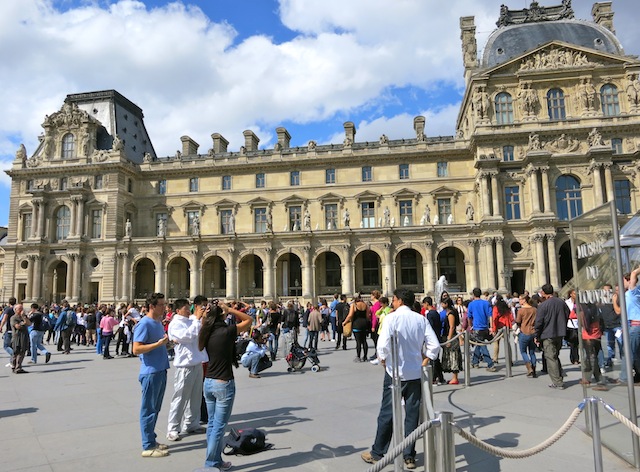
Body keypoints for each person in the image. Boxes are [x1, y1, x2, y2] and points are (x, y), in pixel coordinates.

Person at [361, 288, 441, 470]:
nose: (393, 303)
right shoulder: (421, 319)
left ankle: (377, 453)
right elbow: (434, 346)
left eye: (394, 300)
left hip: (394, 374)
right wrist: (425, 359)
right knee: (412, 416)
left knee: (387, 414)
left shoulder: (391, 318)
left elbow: (382, 347)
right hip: (415, 374)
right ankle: (409, 456)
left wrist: (384, 362)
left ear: (398, 301)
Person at [198, 300, 252, 470]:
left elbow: (204, 320)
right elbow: (248, 320)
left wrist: (212, 312)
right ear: (223, 314)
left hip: (208, 382)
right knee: (218, 427)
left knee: (213, 424)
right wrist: (230, 309)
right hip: (223, 383)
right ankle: (211, 463)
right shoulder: (227, 331)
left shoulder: (205, 332)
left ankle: (216, 460)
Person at [132, 293, 171, 458]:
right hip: (150, 372)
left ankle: (152, 440)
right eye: (162, 305)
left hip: (160, 369)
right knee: (148, 409)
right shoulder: (145, 323)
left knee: (155, 409)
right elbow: (136, 349)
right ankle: (147, 446)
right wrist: (158, 344)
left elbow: (158, 346)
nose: (165, 307)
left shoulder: (157, 323)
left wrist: (167, 344)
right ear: (152, 306)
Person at [166, 297, 209, 441]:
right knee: (180, 398)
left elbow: (200, 329)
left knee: (196, 397)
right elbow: (188, 336)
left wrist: (202, 315)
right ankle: (173, 428)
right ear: (178, 310)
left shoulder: (191, 320)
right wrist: (197, 319)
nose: (188, 309)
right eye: (185, 307)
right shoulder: (175, 324)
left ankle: (191, 423)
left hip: (196, 362)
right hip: (184, 365)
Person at [534, 284, 570, 390]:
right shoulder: (561, 302)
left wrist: (537, 335)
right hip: (560, 333)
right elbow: (567, 313)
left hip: (547, 334)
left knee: (551, 358)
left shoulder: (543, 306)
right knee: (555, 355)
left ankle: (557, 382)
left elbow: (539, 322)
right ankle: (560, 375)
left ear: (543, 293)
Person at [468, 288, 497, 371]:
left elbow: (469, 317)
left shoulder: (471, 304)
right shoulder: (486, 303)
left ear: (473, 295)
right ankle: (475, 362)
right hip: (485, 327)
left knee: (482, 346)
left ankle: (490, 364)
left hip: (477, 327)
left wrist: (470, 326)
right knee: (479, 344)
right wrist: (491, 327)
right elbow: (490, 316)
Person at [343, 294, 370, 362]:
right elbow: (367, 316)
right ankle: (365, 356)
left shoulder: (354, 305)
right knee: (364, 341)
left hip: (356, 324)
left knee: (358, 341)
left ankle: (358, 356)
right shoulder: (365, 305)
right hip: (364, 324)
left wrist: (345, 322)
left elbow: (350, 315)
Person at [515, 295, 538, 378]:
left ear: (524, 300)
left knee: (523, 351)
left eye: (520, 299)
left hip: (524, 332)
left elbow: (518, 321)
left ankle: (529, 369)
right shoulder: (534, 309)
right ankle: (534, 369)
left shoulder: (521, 310)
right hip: (533, 332)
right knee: (532, 352)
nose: (519, 301)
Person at [441, 298, 462, 384]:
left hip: (452, 336)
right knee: (452, 356)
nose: (441, 305)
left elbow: (452, 327)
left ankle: (455, 377)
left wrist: (449, 339)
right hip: (452, 336)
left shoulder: (450, 314)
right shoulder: (452, 312)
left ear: (446, 304)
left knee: (453, 356)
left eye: (442, 303)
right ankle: (454, 377)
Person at [491, 296, 514, 365]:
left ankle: (495, 358)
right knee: (507, 343)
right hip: (506, 326)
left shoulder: (496, 308)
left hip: (499, 327)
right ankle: (510, 360)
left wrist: (493, 329)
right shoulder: (507, 308)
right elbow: (511, 318)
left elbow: (495, 319)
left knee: (496, 343)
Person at [10, 304, 30, 373]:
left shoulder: (24, 317)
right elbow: (17, 326)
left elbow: (29, 324)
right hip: (17, 336)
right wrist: (23, 323)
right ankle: (14, 366)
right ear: (15, 310)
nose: (21, 310)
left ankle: (18, 367)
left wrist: (24, 318)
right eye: (20, 309)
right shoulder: (13, 317)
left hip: (24, 336)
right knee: (16, 352)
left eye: (22, 309)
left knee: (22, 351)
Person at [565, 289, 580, 365]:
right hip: (570, 325)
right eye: (574, 293)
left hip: (579, 324)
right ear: (570, 294)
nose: (576, 295)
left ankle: (576, 358)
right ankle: (574, 358)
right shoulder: (567, 303)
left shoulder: (580, 302)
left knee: (577, 343)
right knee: (573, 343)